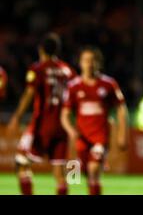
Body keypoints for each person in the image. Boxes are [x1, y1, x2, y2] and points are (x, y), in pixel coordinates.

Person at [7, 33, 76, 195]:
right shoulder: (68, 71)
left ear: (41, 50)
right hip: (62, 127)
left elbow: (29, 94)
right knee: (60, 174)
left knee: (21, 163)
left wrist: (16, 117)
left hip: (41, 125)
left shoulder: (37, 69)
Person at [61, 46, 128, 195]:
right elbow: (64, 114)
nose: (89, 64)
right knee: (81, 173)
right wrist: (71, 131)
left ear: (99, 63)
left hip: (100, 138)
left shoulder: (108, 84)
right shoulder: (73, 86)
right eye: (86, 60)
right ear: (80, 63)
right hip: (81, 139)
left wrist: (122, 134)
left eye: (92, 61)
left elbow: (121, 108)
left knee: (93, 171)